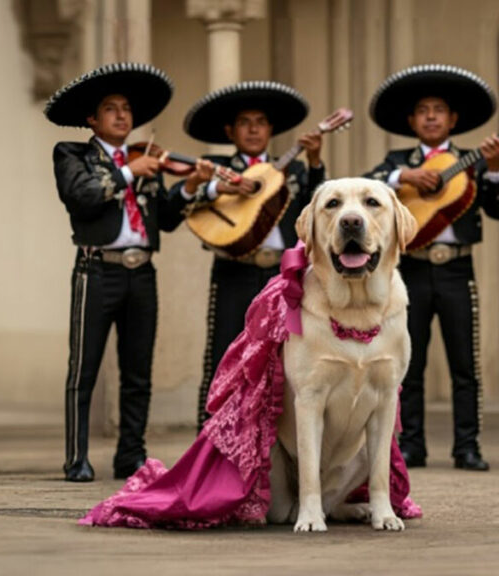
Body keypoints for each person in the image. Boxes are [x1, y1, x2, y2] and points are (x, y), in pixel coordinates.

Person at [46, 62, 218, 482]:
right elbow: (82, 197)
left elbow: (166, 219)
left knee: (138, 372)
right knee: (83, 370)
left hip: (141, 272)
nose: (122, 115)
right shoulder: (73, 154)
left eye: (126, 109)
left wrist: (195, 186)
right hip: (96, 270)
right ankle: (76, 458)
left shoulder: (146, 160)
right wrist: (127, 173)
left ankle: (131, 455)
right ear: (92, 119)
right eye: (111, 108)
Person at [365, 65, 499, 471]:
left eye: (439, 110)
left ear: (453, 120)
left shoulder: (471, 161)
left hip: (457, 270)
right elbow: (365, 183)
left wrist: (495, 168)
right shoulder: (397, 160)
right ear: (411, 121)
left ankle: (468, 446)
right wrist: (402, 175)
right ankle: (412, 445)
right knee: (410, 361)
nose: (431, 116)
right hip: (409, 270)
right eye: (423, 110)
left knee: (465, 363)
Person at [173, 81, 326, 429]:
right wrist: (212, 186)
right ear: (230, 131)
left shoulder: (295, 171)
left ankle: (275, 440)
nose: (254, 128)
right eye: (245, 121)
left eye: (261, 121)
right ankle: (212, 439)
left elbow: (317, 212)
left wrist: (315, 162)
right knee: (224, 354)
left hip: (281, 277)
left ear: (271, 130)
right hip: (234, 271)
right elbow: (179, 208)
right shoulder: (213, 167)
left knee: (286, 357)